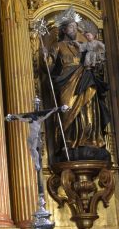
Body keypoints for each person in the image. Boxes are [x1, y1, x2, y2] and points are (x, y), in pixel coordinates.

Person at [45, 9, 110, 159]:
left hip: (86, 79)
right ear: (63, 29)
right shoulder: (58, 46)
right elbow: (48, 68)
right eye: (70, 27)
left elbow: (97, 61)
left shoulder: (84, 45)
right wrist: (45, 57)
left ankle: (90, 139)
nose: (73, 30)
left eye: (75, 27)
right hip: (67, 82)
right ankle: (69, 141)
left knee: (89, 108)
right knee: (68, 111)